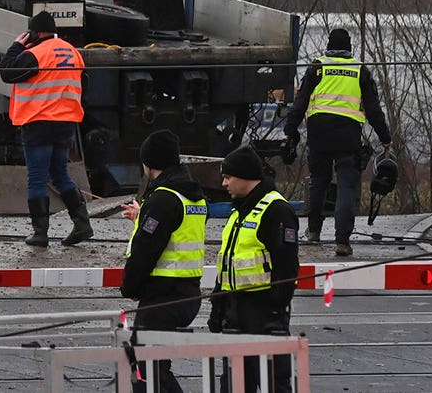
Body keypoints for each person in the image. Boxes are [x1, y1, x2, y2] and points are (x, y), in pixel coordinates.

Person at [283, 28, 392, 256]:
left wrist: (289, 129)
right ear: (349, 48)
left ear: (328, 46)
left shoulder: (318, 67)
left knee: (318, 182)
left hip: (319, 134)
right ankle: (342, 242)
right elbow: (373, 109)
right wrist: (385, 138)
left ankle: (313, 232)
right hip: (348, 136)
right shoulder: (359, 69)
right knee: (346, 187)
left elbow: (300, 101)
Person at [120, 129, 207, 392]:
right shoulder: (191, 196)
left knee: (147, 367)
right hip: (186, 293)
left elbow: (147, 250)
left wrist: (130, 288)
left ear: (148, 163)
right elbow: (174, 232)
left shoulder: (164, 199)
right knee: (151, 364)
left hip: (163, 297)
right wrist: (143, 215)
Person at [208, 145, 299, 393]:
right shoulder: (239, 211)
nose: (224, 183)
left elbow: (287, 268)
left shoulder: (276, 210)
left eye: (228, 177)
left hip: (263, 314)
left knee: (274, 384)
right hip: (235, 311)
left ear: (246, 177)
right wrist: (218, 307)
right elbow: (228, 264)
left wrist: (273, 310)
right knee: (234, 384)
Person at [0, 11, 92, 247]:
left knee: (38, 178)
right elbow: (85, 83)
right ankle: (82, 224)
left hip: (38, 122)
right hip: (66, 124)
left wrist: (15, 46)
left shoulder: (34, 54)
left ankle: (40, 233)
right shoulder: (73, 52)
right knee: (60, 174)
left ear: (35, 33)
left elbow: (7, 72)